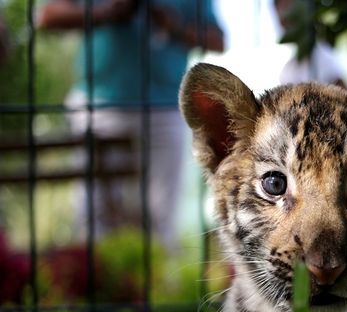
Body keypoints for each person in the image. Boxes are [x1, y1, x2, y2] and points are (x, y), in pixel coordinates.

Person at [37, 0, 224, 249]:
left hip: (164, 108)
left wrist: (174, 27)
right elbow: (46, 16)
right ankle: (99, 270)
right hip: (99, 107)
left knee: (160, 219)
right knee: (95, 214)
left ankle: (155, 270)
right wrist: (107, 13)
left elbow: (219, 40)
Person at [273, 0, 347, 87]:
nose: (284, 13)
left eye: (287, 6)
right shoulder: (288, 70)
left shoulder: (324, 58)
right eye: (282, 20)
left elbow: (344, 91)